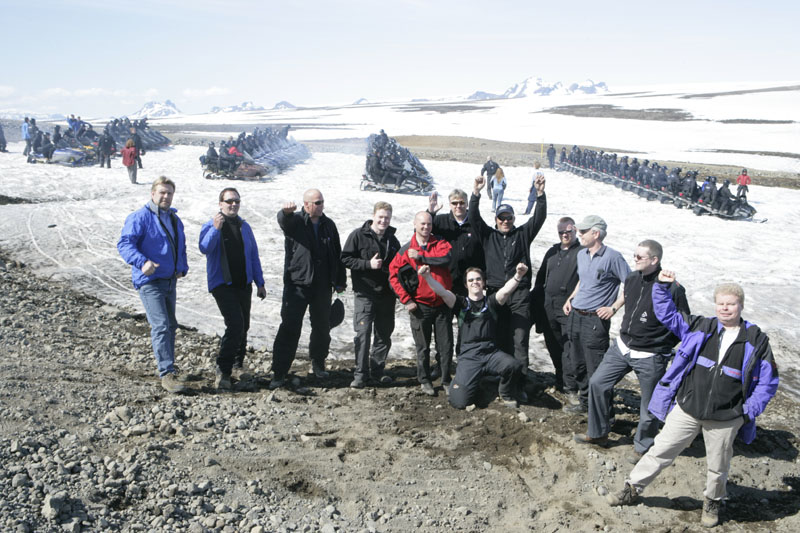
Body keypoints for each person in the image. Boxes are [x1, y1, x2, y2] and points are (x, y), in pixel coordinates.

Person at [607, 273, 779, 529]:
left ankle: (712, 502)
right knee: (660, 451)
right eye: (721, 303)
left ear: (741, 305)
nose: (725, 308)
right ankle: (631, 488)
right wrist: (662, 287)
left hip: (726, 416)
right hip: (688, 408)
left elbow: (768, 381)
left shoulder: (756, 339)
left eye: (731, 304)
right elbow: (667, 314)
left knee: (718, 466)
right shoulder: (701, 326)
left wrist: (747, 411)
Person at [573, 240, 689, 464]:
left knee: (649, 404)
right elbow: (628, 299)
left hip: (650, 354)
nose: (634, 260)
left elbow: (683, 324)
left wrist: (662, 345)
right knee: (597, 383)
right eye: (634, 255)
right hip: (623, 346)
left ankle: (643, 446)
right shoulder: (632, 278)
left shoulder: (673, 288)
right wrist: (615, 309)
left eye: (639, 257)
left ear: (654, 260)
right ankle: (598, 433)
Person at [470, 173, 546, 386]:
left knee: (520, 339)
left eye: (509, 218)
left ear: (513, 219)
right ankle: (501, 377)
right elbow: (474, 218)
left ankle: (519, 382)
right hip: (496, 293)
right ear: (496, 220)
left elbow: (539, 218)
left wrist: (540, 195)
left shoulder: (522, 234)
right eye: (501, 218)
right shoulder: (488, 236)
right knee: (498, 336)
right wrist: (475, 193)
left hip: (519, 294)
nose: (505, 221)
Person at [419, 263, 528, 409]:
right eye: (470, 280)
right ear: (466, 285)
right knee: (459, 402)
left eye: (478, 279)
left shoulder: (491, 302)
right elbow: (443, 292)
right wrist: (427, 277)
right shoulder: (461, 303)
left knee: (514, 366)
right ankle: (467, 380)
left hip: (491, 354)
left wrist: (519, 275)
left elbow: (505, 291)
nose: (474, 282)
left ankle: (505, 392)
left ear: (483, 282)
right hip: (469, 356)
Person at [117, 177, 189, 393]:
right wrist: (142, 262)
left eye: (169, 193)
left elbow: (181, 246)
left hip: (169, 280)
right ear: (152, 193)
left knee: (171, 325)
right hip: (149, 280)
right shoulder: (140, 217)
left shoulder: (174, 219)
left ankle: (169, 368)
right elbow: (124, 244)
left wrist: (182, 267)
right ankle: (166, 374)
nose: (166, 196)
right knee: (161, 325)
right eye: (162, 192)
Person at [270, 189, 346, 389]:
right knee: (290, 327)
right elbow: (283, 221)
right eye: (317, 203)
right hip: (298, 284)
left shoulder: (329, 225)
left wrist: (340, 282)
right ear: (306, 205)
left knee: (322, 327)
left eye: (322, 202)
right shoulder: (296, 222)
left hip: (322, 286)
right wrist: (285, 212)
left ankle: (318, 363)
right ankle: (279, 372)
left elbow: (337, 253)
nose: (321, 206)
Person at [199, 188, 266, 391]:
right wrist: (215, 228)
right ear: (220, 203)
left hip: (243, 283)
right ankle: (223, 369)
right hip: (221, 284)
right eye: (229, 201)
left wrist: (260, 282)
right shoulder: (211, 224)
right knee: (235, 324)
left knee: (244, 325)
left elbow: (253, 255)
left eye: (236, 201)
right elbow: (204, 248)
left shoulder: (244, 226)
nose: (233, 204)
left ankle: (237, 365)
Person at [563, 215, 631, 413]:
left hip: (594, 321)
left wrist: (614, 308)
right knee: (578, 364)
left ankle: (602, 413)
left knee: (596, 368)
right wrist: (570, 298)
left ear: (596, 233)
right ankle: (585, 404)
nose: (579, 234)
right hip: (575, 316)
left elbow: (631, 285)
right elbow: (583, 281)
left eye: (583, 231)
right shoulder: (581, 254)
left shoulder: (613, 257)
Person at [389, 211, 453, 395]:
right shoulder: (406, 250)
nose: (426, 227)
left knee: (445, 345)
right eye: (422, 224)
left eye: (429, 224)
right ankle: (424, 380)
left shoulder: (439, 243)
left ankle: (446, 379)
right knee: (423, 347)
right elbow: (393, 277)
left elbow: (446, 259)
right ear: (415, 224)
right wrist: (406, 299)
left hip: (442, 304)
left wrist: (421, 256)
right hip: (420, 306)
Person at [341, 201, 401, 388]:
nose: (383, 221)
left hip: (386, 295)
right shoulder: (358, 235)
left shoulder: (392, 240)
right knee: (363, 333)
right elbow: (345, 259)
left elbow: (399, 267)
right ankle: (360, 374)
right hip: (364, 293)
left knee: (383, 334)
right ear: (373, 216)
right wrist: (368, 264)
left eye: (387, 218)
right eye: (380, 217)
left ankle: (377, 371)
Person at [531, 217, 582, 395]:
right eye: (561, 232)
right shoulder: (553, 250)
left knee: (568, 347)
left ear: (575, 230)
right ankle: (560, 379)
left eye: (568, 231)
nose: (564, 235)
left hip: (568, 305)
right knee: (552, 343)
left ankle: (571, 387)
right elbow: (541, 277)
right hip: (548, 304)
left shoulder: (582, 253)